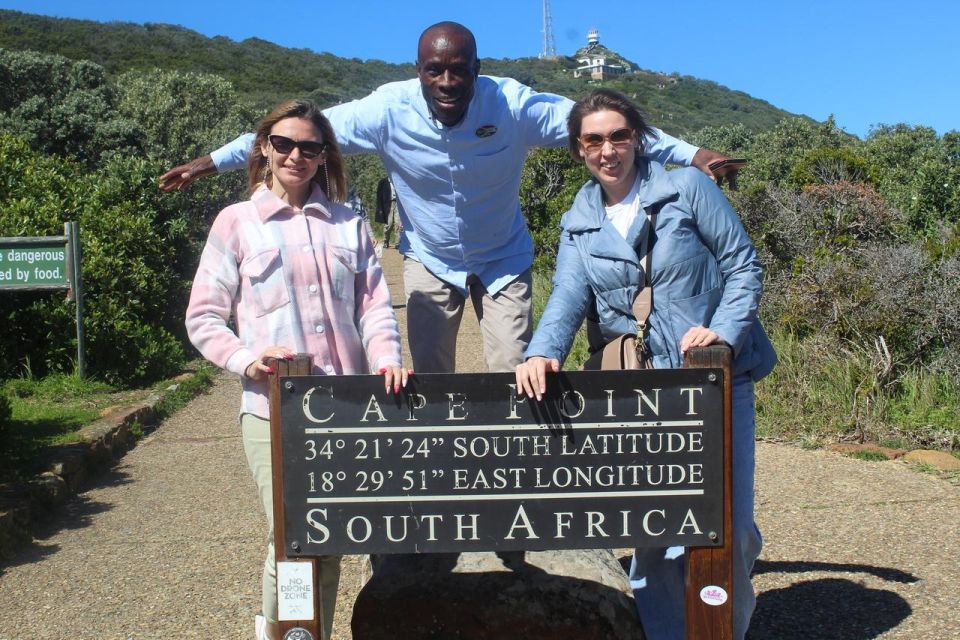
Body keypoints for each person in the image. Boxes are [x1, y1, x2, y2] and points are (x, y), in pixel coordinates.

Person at [161, 22, 743, 377]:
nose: (446, 81)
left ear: (476, 70)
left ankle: (516, 489)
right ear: (418, 70)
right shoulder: (385, 111)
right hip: (429, 258)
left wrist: (694, 155)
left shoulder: (512, 105)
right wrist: (209, 161)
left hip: (502, 258)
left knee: (515, 372)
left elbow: (605, 124)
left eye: (457, 70)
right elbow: (297, 130)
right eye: (433, 70)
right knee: (430, 380)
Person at [514, 88, 776, 640]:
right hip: (643, 389)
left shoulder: (688, 187)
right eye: (594, 139)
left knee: (731, 526)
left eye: (618, 135)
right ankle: (665, 631)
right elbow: (567, 294)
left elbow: (742, 266)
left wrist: (723, 333)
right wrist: (543, 350)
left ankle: (720, 626)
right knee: (654, 528)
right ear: (578, 147)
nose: (607, 149)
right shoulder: (579, 221)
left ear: (637, 138)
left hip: (716, 378)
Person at [184, 99, 409, 640]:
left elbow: (374, 307)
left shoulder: (348, 225)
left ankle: (307, 632)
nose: (295, 156)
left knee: (329, 532)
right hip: (272, 411)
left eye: (310, 147)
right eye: (283, 144)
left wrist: (386, 361)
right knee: (291, 535)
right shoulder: (236, 223)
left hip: (346, 410)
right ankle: (286, 632)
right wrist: (246, 359)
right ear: (264, 148)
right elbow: (203, 316)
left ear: (324, 156)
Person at [375, 176, 400, 248]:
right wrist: (379, 208)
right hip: (388, 204)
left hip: (398, 204)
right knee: (389, 224)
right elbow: (379, 196)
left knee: (398, 224)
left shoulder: (398, 180)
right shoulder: (383, 182)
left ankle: (397, 243)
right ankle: (386, 241)